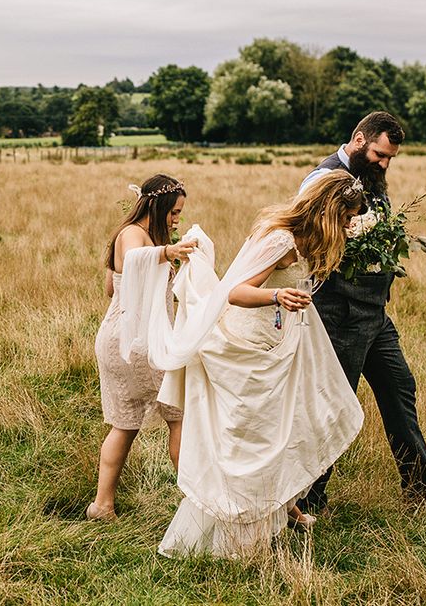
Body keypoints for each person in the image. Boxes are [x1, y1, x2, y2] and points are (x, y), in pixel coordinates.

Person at [142, 171, 366, 557]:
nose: (349, 226)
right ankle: (238, 537)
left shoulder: (308, 238)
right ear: (328, 212)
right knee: (253, 442)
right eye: (345, 219)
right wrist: (278, 295)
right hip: (248, 347)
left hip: (277, 344)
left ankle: (281, 508)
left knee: (287, 428)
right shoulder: (280, 239)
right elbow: (236, 292)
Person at [297, 111, 426, 514]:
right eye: (380, 154)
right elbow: (306, 241)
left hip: (375, 315)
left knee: (400, 390)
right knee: (335, 406)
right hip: (338, 315)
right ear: (358, 138)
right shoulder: (322, 179)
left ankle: (421, 489)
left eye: (390, 158)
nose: (384, 163)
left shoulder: (372, 181)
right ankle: (306, 500)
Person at [87, 174, 198, 521]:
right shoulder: (134, 235)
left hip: (118, 338)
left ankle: (102, 506)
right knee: (181, 418)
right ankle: (196, 508)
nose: (177, 219)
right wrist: (166, 252)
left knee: (125, 423)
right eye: (174, 212)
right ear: (156, 204)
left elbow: (111, 287)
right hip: (139, 343)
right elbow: (136, 260)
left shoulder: (131, 235)